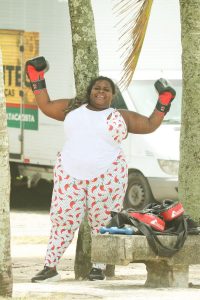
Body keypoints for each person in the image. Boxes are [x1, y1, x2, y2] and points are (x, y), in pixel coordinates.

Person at [25, 56, 176, 283]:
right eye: (97, 88)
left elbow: (150, 124)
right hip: (69, 174)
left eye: (106, 89)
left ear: (112, 95)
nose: (101, 91)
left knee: (102, 222)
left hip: (106, 176)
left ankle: (98, 268)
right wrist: (37, 77)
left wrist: (164, 101)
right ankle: (50, 267)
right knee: (62, 221)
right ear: (90, 91)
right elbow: (45, 106)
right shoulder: (73, 109)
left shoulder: (120, 116)